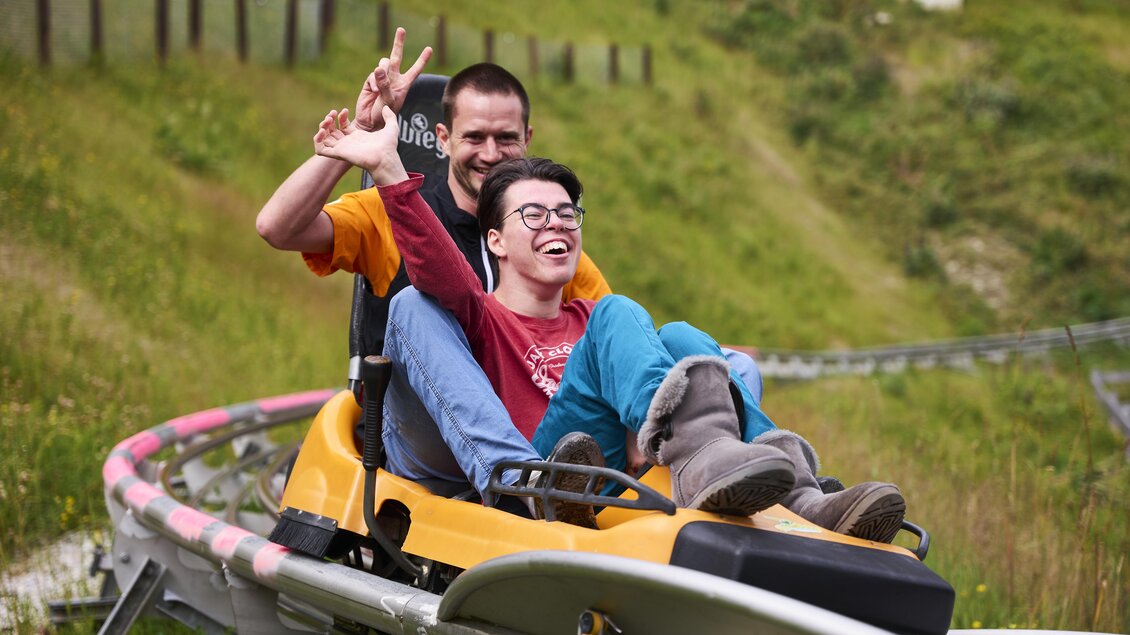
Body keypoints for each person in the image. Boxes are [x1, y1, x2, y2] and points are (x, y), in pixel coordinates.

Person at [312, 104, 908, 543]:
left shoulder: (593, 325)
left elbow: (640, 413)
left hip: (593, 476)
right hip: (535, 475)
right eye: (534, 214)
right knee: (419, 303)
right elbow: (439, 275)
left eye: (568, 213)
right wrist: (390, 170)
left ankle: (803, 497)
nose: (558, 224)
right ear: (494, 240)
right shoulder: (480, 315)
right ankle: (525, 488)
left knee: (692, 345)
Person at [256, 28, 767, 483]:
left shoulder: (555, 243)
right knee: (416, 304)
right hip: (431, 421)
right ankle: (516, 481)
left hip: (541, 427)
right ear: (443, 140)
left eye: (506, 138)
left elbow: (613, 343)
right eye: (474, 137)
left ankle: (751, 474)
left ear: (527, 140)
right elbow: (279, 227)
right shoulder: (388, 212)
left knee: (724, 363)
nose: (491, 152)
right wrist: (361, 142)